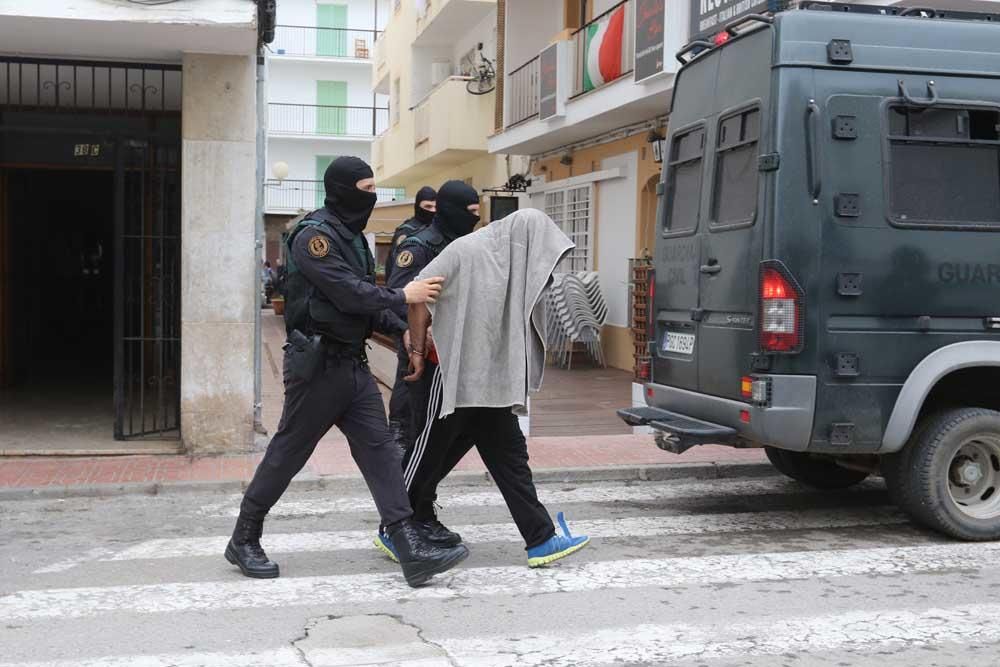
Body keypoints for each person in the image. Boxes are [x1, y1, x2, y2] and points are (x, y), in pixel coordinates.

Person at [226, 156, 469, 587]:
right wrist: (402, 295)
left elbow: (366, 310)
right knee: (289, 453)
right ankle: (244, 536)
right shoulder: (313, 237)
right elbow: (348, 293)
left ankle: (407, 543)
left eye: (374, 188)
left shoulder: (354, 238)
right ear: (340, 188)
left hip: (352, 366)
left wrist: (409, 335)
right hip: (316, 367)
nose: (371, 196)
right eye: (365, 187)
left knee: (380, 452)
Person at [382, 207, 591, 568]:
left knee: (510, 458)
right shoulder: (466, 249)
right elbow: (417, 294)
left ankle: (540, 539)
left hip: (491, 380)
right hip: (452, 374)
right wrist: (416, 350)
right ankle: (394, 526)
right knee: (429, 451)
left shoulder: (514, 259)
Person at [375, 181, 482, 556]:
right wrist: (411, 338)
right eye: (470, 213)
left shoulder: (464, 245)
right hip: (423, 359)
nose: (477, 219)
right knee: (421, 439)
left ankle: (419, 513)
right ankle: (400, 523)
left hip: (457, 357)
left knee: (443, 441)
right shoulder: (417, 247)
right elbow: (399, 300)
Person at [385, 185, 437, 454]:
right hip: (406, 317)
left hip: (429, 322)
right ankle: (398, 427)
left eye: (434, 207)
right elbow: (399, 285)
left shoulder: (440, 234)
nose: (431, 212)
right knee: (407, 372)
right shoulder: (409, 235)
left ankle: (416, 431)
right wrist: (404, 327)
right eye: (426, 207)